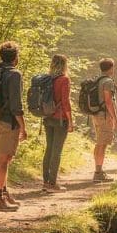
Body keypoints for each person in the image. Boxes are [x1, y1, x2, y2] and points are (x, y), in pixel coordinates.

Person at [0, 41, 27, 211]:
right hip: (8, 122)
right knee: (4, 160)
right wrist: (23, 127)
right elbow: (16, 105)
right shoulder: (14, 74)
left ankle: (3, 193)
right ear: (16, 58)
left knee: (4, 158)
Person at [42, 54, 72, 193]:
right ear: (64, 65)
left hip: (47, 117)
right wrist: (70, 121)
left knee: (49, 148)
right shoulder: (64, 79)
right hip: (60, 118)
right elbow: (65, 102)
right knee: (56, 150)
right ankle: (52, 184)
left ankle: (45, 182)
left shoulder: (47, 79)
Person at [92, 58, 117, 183]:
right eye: (113, 67)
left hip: (96, 114)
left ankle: (98, 170)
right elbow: (109, 101)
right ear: (110, 68)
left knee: (99, 142)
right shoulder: (108, 81)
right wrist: (114, 118)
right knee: (102, 144)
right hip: (105, 116)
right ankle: (98, 173)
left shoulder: (97, 79)